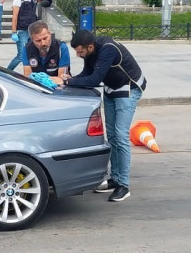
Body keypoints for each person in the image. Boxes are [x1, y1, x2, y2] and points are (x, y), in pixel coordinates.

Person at [61, 30, 146, 202]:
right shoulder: (90, 53)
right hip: (111, 88)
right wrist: (70, 80)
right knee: (112, 135)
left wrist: (69, 81)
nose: (78, 55)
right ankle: (114, 179)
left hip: (128, 88)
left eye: (80, 52)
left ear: (90, 47)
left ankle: (123, 185)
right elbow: (87, 74)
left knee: (121, 135)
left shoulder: (108, 49)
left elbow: (94, 79)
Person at [8, 0, 41, 70]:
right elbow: (15, 16)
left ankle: (33, 74)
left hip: (32, 31)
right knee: (21, 56)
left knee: (34, 54)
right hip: (22, 30)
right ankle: (6, 73)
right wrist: (14, 32)